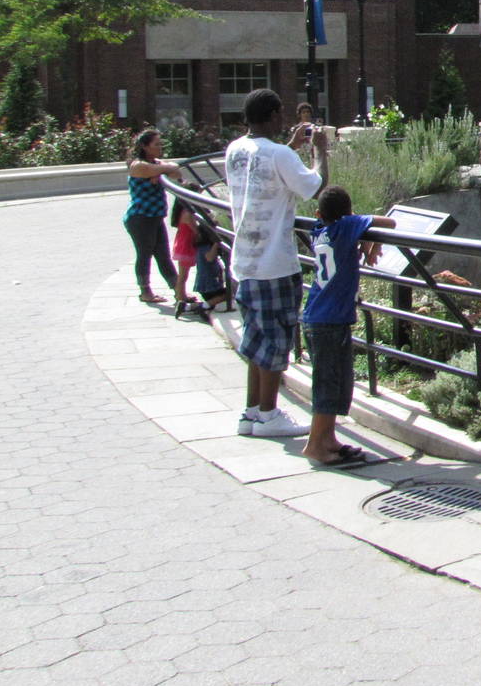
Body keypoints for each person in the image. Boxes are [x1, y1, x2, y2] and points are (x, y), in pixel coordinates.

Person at [225, 88, 329, 439]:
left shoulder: (235, 149)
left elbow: (264, 168)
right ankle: (269, 415)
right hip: (275, 264)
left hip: (244, 262)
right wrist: (319, 152)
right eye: (280, 113)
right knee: (275, 340)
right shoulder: (280, 154)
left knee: (255, 340)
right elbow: (316, 187)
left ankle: (252, 411)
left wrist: (290, 146)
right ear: (272, 115)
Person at [301, 185, 395, 465]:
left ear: (319, 214)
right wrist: (368, 235)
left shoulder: (319, 229)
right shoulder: (346, 227)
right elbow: (389, 222)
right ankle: (315, 445)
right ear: (350, 214)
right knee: (328, 384)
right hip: (330, 320)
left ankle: (328, 439)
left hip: (318, 315)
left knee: (334, 379)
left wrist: (363, 237)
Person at [125, 128, 182, 304]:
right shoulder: (138, 165)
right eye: (156, 144)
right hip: (140, 218)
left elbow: (176, 171)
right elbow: (168, 169)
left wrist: (159, 171)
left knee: (163, 255)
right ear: (145, 146)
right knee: (145, 254)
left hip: (155, 217)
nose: (160, 147)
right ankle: (145, 291)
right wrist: (161, 170)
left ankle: (178, 291)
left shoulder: (155, 163)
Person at [169, 184, 200, 311]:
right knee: (183, 275)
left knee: (183, 273)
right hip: (187, 245)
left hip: (183, 243)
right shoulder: (188, 213)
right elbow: (196, 230)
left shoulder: (182, 211)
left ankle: (180, 294)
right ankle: (180, 297)